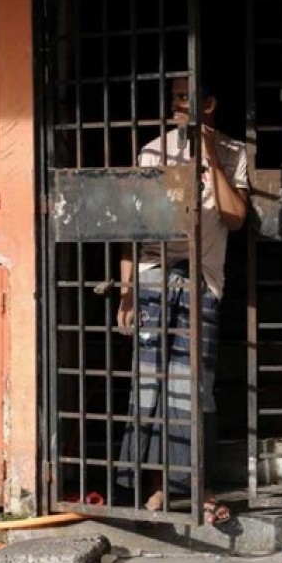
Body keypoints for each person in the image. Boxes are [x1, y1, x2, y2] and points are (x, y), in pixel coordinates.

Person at [115, 76, 249, 524]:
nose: (178, 105)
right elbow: (134, 228)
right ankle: (154, 488)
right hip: (155, 273)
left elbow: (234, 217)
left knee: (192, 386)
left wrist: (210, 157)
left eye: (186, 98)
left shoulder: (233, 152)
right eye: (174, 97)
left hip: (201, 278)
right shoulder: (154, 151)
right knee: (150, 382)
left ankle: (193, 486)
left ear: (209, 104)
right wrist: (127, 293)